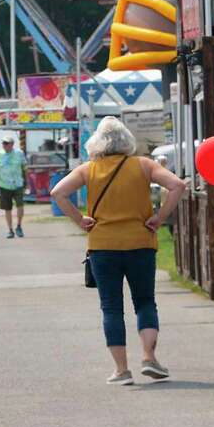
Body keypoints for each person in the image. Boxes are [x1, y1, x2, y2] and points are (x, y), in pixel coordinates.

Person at [51, 116, 185, 385]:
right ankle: (149, 357)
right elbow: (177, 185)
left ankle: (122, 370)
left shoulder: (88, 169)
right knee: (145, 302)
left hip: (103, 247)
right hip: (141, 244)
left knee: (111, 308)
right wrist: (160, 217)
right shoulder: (143, 165)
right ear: (126, 140)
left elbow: (58, 193)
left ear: (97, 142)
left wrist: (80, 220)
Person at [0, 134, 28, 239]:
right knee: (7, 208)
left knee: (20, 205)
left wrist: (27, 182)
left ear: (12, 144)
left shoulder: (19, 154)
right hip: (4, 185)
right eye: (3, 143)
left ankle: (19, 226)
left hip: (18, 184)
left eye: (7, 143)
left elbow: (25, 168)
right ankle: (10, 229)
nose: (5, 145)